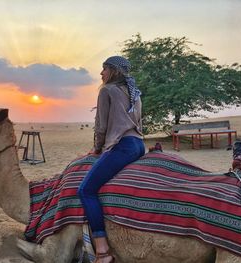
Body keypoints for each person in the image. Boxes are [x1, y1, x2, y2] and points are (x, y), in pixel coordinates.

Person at [77, 56, 145, 263]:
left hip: (122, 146)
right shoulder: (135, 94)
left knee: (85, 190)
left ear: (113, 70)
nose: (101, 74)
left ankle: (102, 249)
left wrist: (96, 149)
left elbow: (101, 127)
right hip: (139, 145)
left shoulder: (106, 91)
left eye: (104, 69)